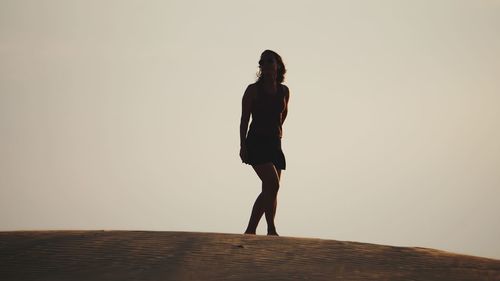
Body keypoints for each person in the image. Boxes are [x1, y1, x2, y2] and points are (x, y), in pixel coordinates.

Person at [239, 50, 290, 236]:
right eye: (262, 62)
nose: (266, 65)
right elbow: (244, 119)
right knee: (272, 184)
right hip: (256, 142)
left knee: (271, 189)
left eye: (270, 61)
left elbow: (283, 114)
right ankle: (271, 229)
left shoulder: (284, 91)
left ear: (278, 65)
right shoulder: (253, 90)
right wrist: (242, 145)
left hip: (275, 143)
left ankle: (251, 230)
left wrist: (277, 132)